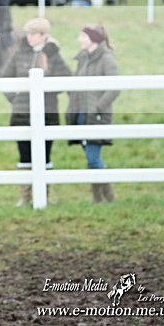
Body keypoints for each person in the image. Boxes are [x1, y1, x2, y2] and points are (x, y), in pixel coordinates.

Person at [3, 17, 71, 207]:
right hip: (21, 113)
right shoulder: (18, 54)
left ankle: (44, 195)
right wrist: (14, 98)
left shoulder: (54, 56)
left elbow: (64, 80)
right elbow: (5, 77)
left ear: (44, 36)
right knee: (24, 155)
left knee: (45, 155)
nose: (30, 37)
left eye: (33, 34)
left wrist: (47, 77)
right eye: (29, 33)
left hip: (46, 112)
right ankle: (25, 197)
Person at [66, 24, 120, 203]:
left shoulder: (106, 58)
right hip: (81, 114)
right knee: (91, 158)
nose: (79, 39)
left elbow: (114, 87)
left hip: (96, 115)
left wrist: (98, 107)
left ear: (93, 39)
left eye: (83, 36)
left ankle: (109, 197)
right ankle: (99, 198)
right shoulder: (83, 58)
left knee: (93, 157)